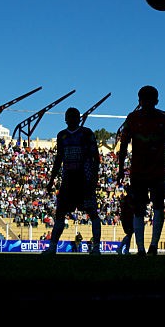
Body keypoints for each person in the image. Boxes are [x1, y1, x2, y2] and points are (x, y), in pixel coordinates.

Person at [116, 85, 165, 256]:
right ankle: (148, 247)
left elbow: (123, 145)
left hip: (146, 171)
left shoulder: (134, 118)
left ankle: (143, 248)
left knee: (144, 208)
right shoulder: (161, 117)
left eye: (147, 100)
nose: (146, 103)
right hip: (151, 171)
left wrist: (121, 168)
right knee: (153, 207)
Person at [44, 107, 102, 256]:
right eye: (68, 116)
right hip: (68, 181)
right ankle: (52, 248)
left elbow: (96, 156)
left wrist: (94, 177)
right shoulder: (62, 135)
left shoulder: (86, 133)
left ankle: (96, 248)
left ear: (79, 118)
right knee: (60, 215)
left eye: (74, 116)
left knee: (92, 213)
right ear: (65, 119)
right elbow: (58, 159)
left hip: (84, 180)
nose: (71, 119)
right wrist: (51, 180)